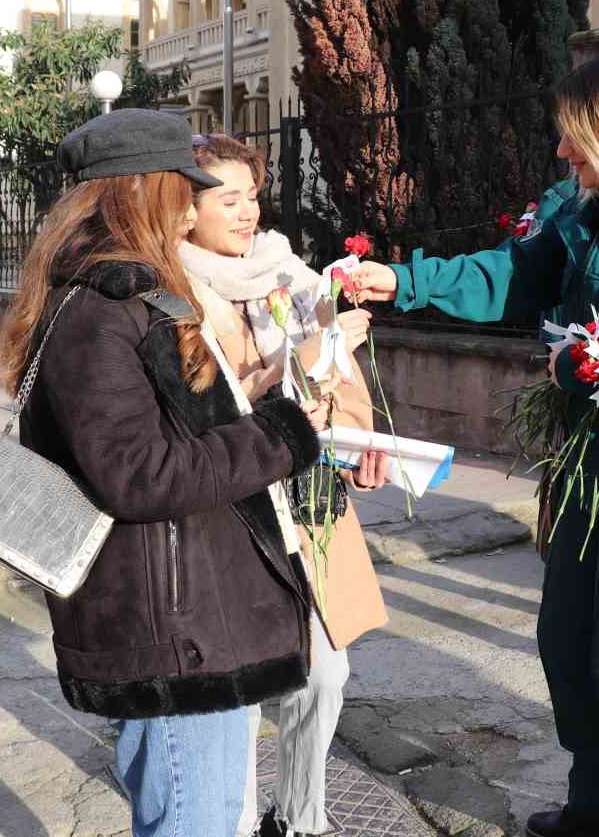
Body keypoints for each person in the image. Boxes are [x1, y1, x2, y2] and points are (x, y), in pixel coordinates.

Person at [354, 55, 599, 837]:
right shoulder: (578, 213)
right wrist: (400, 283)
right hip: (585, 473)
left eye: (575, 138)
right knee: (567, 647)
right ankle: (594, 809)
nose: (563, 154)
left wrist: (574, 365)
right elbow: (510, 275)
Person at [0, 109, 331, 837]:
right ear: (140, 191)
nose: (192, 203)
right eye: (183, 186)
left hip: (191, 610)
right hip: (170, 631)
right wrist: (280, 436)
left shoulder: (135, 295)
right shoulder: (98, 307)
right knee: (192, 821)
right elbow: (138, 474)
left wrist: (262, 404)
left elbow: (170, 435)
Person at [178, 134, 390, 837]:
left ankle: (300, 818)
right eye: (227, 198)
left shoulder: (292, 276)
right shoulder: (177, 294)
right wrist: (286, 371)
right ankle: (231, 821)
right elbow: (199, 414)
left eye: (253, 196)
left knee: (324, 675)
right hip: (232, 519)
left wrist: (362, 440)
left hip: (308, 508)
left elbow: (348, 393)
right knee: (234, 695)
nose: (247, 213)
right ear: (185, 209)